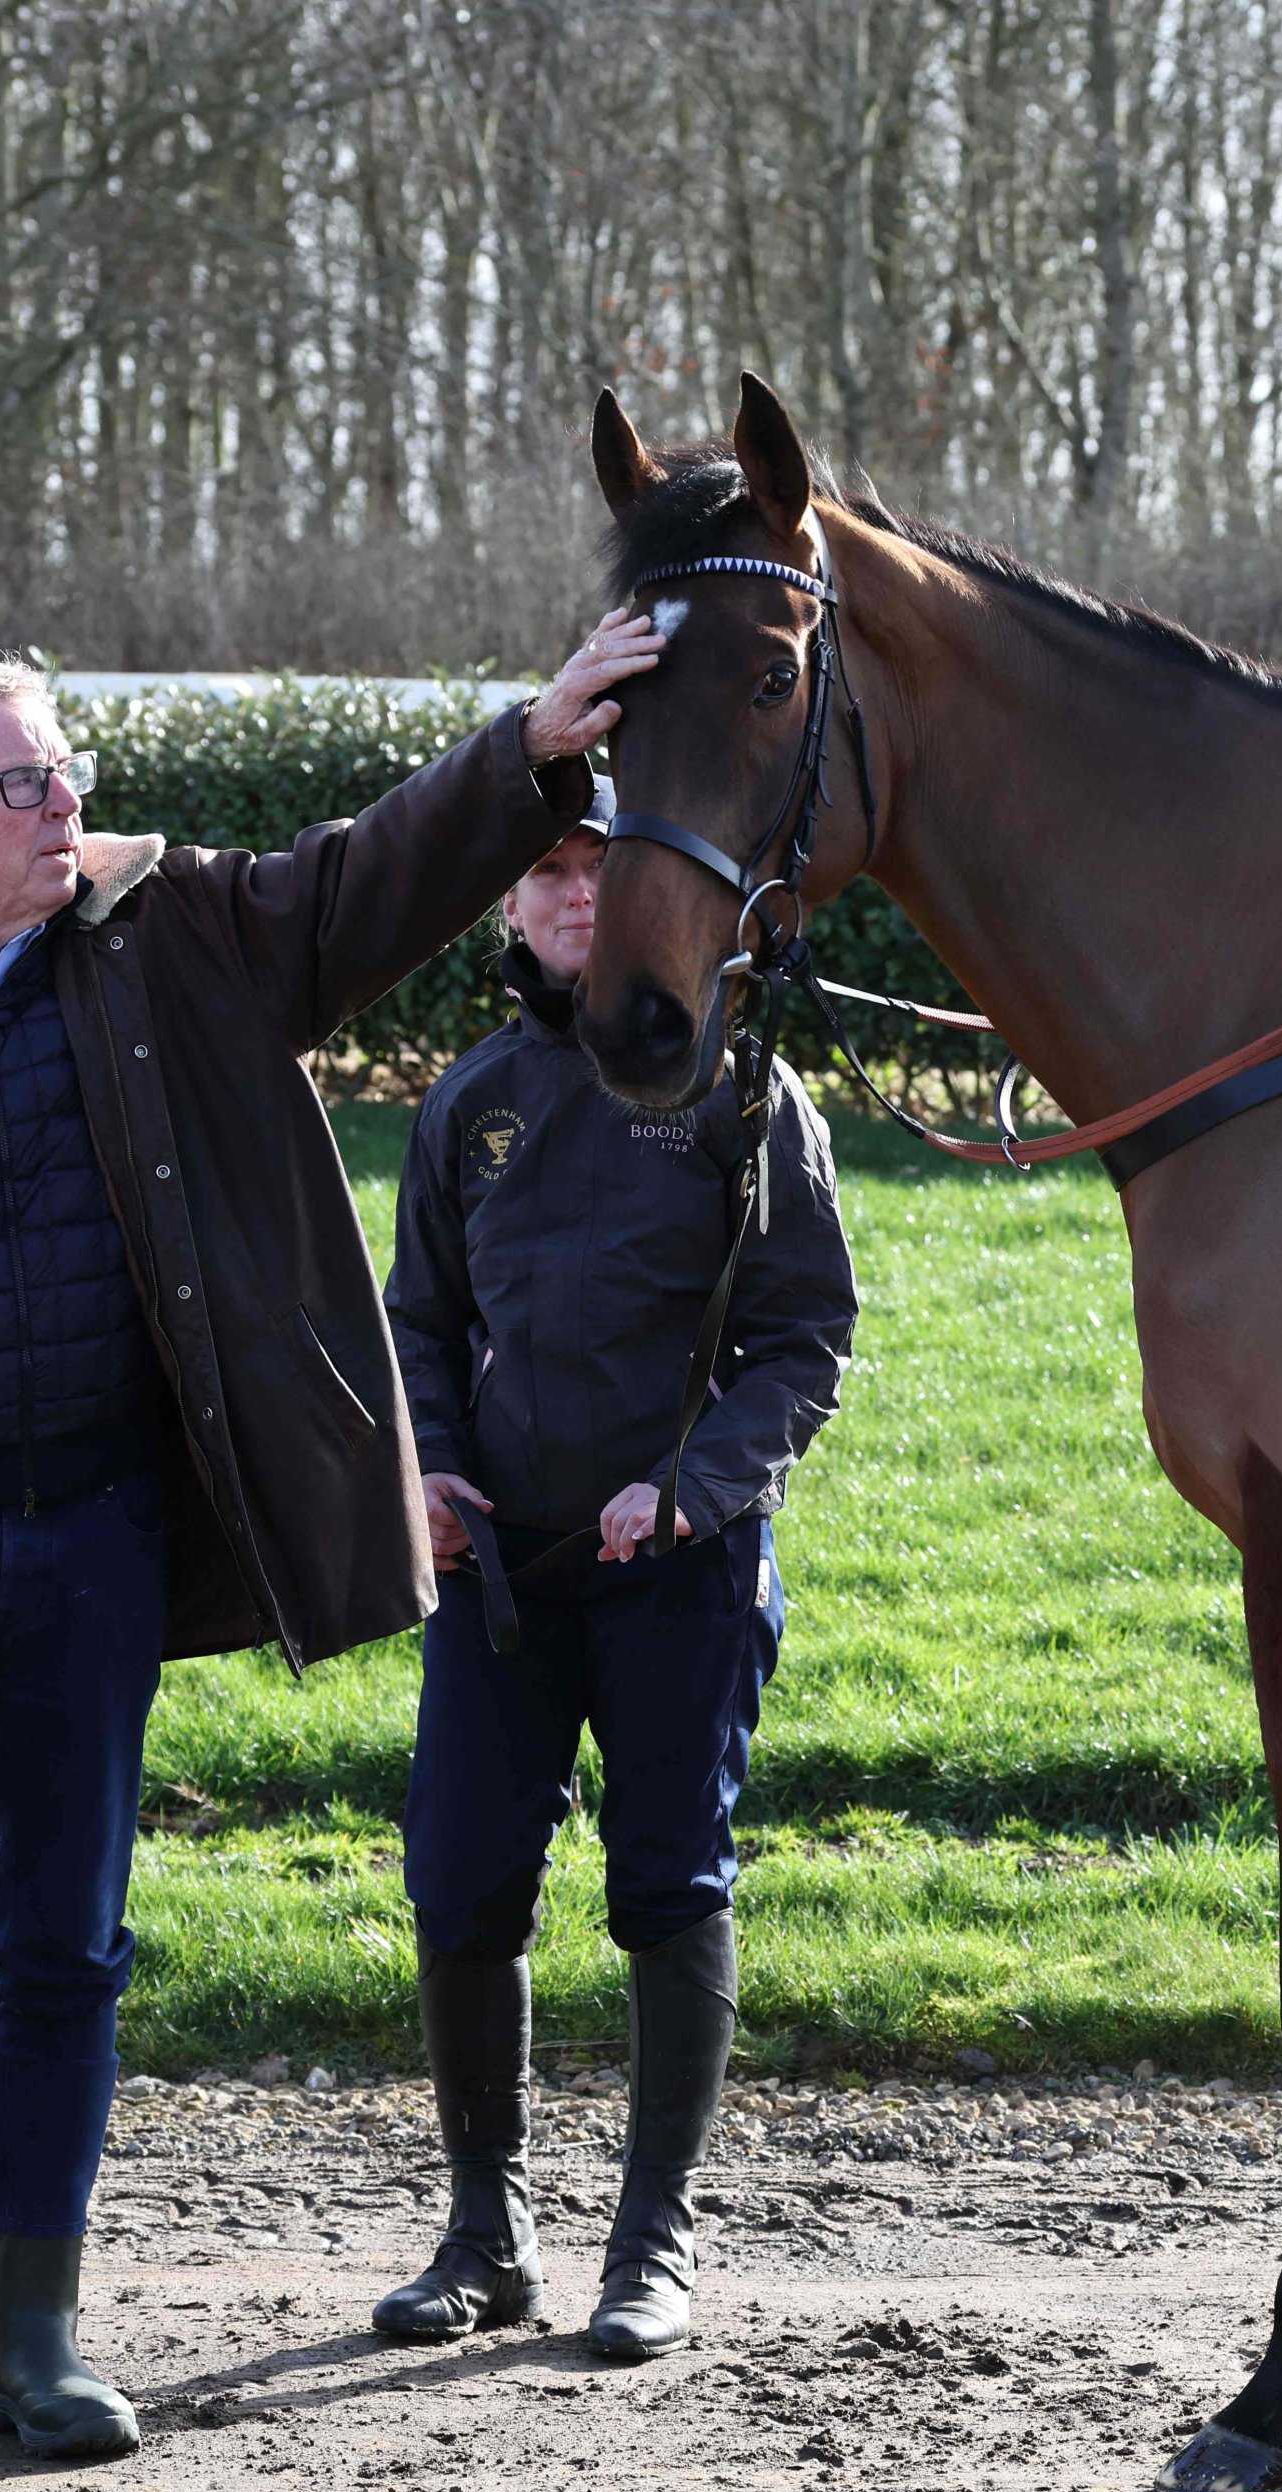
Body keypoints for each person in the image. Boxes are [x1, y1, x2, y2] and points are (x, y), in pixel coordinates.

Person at [0, 608, 669, 2463]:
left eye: (70, 769)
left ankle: (35, 2345)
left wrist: (532, 748)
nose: (67, 804)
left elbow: (360, 887)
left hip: (93, 1545)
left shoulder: (162, 933)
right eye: (24, 780)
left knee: (69, 1952)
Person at [370, 774, 855, 2361]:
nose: (576, 894)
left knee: (666, 1885)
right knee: (457, 1887)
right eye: (547, 873)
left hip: (682, 1573)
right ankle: (484, 2231)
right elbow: (419, 1326)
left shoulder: (744, 1095)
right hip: (500, 1579)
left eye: (601, 866)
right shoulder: (470, 1101)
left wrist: (696, 1488)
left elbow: (803, 1340)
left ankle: (655, 2238)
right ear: (510, 906)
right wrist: (427, 1464)